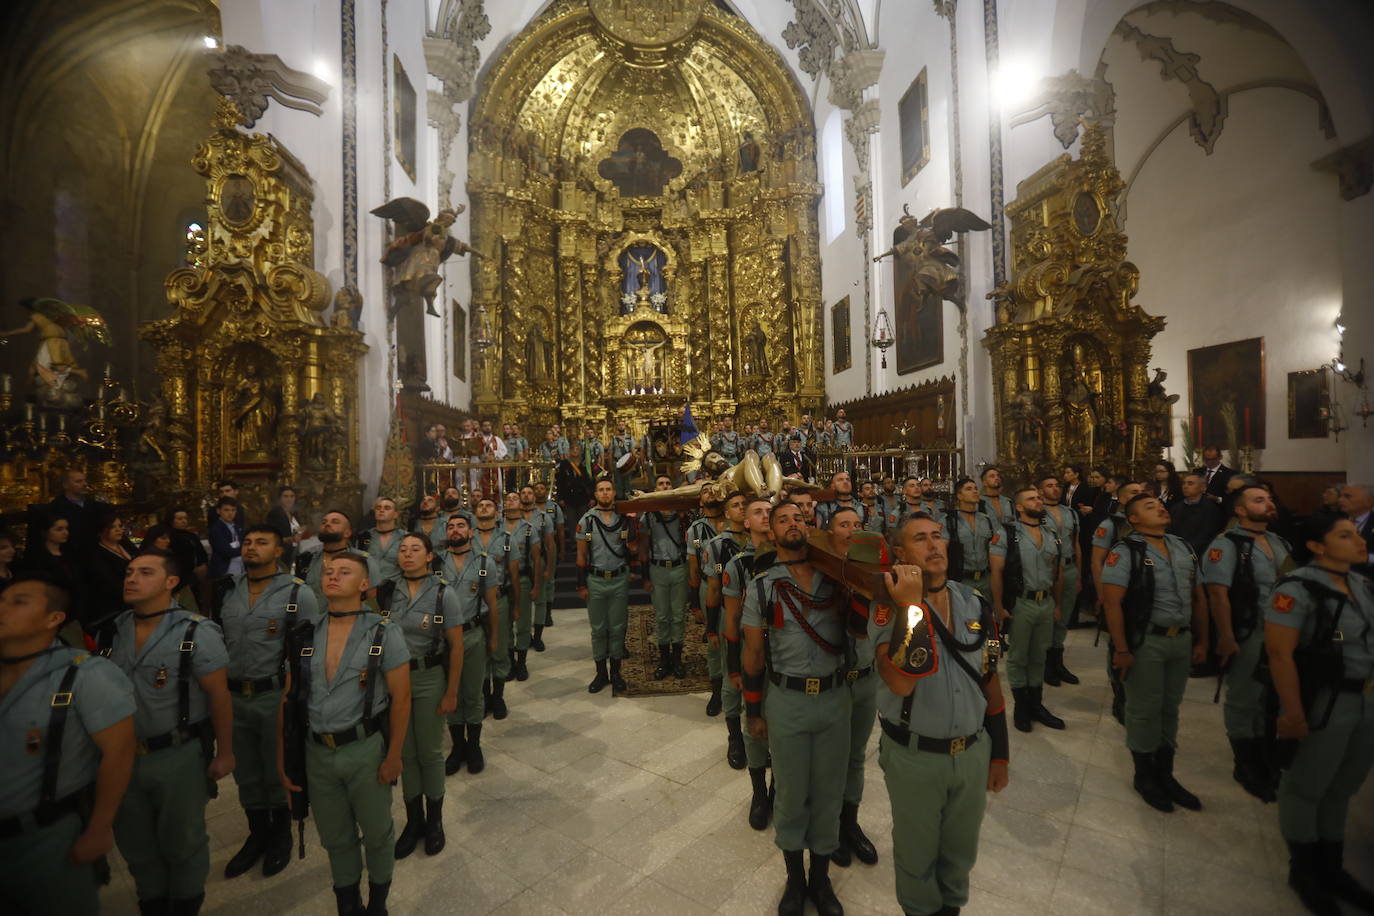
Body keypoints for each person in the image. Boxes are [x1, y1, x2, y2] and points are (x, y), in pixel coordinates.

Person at [876, 515, 1009, 916]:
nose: (934, 545)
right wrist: (911, 606)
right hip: (916, 758)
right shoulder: (885, 608)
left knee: (960, 857)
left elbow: (989, 678)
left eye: (938, 536)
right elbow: (901, 683)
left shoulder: (975, 603)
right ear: (900, 554)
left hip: (971, 753)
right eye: (920, 539)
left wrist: (999, 751)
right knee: (917, 862)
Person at [277, 551, 409, 916]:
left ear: (364, 585)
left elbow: (401, 698)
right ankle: (347, 903)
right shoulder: (304, 634)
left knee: (378, 832)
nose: (332, 576)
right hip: (317, 751)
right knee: (336, 839)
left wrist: (394, 754)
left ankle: (377, 903)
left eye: (344, 572)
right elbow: (288, 702)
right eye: (329, 571)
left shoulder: (384, 632)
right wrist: (284, 761)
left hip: (364, 748)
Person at [0, 574, 137, 916]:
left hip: (44, 837)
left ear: (54, 618)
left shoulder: (84, 675)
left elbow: (118, 752)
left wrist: (100, 827)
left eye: (18, 602)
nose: (2, 608)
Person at [108, 550, 234, 916]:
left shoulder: (194, 630)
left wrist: (224, 752)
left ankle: (184, 901)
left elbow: (219, 696)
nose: (131, 578)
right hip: (122, 756)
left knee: (182, 840)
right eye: (129, 572)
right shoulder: (114, 628)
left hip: (175, 753)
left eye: (145, 572)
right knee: (135, 840)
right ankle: (152, 900)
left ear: (170, 582)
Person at [741, 501, 850, 916]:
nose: (792, 524)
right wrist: (754, 710)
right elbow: (753, 654)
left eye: (799, 518)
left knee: (828, 793)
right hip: (785, 699)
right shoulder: (763, 586)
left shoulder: (837, 579)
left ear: (810, 526)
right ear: (771, 531)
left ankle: (820, 882)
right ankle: (795, 880)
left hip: (833, 698)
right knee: (789, 793)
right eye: (782, 519)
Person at [1264, 513, 1374, 915]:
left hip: (1365, 699)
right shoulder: (1298, 588)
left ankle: (1332, 867)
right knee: (1307, 786)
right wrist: (1292, 711)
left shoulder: (1362, 584)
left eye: (1356, 533)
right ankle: (1305, 870)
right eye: (1344, 535)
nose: (1358, 540)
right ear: (1317, 546)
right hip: (1325, 701)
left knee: (1342, 786)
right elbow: (1280, 652)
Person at [215, 524, 320, 881]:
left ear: (279, 551)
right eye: (246, 542)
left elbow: (308, 653)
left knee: (277, 769)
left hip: (274, 694)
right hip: (234, 696)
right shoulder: (226, 591)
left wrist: (298, 700)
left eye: (261, 543)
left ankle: (280, 837)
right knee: (246, 772)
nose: (251, 548)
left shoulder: (297, 594)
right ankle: (257, 833)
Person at [1099, 494, 1208, 813]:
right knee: (1144, 709)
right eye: (1149, 507)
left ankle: (1166, 773)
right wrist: (1121, 648)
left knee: (1170, 708)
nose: (1160, 508)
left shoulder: (1182, 547)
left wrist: (1202, 641)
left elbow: (1198, 596)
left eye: (1160, 505)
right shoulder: (1125, 552)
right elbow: (1112, 603)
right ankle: (1144, 774)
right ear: (1133, 519)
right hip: (1147, 641)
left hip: (1181, 639)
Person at [1201, 485, 1292, 803]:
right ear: (1240, 510)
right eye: (1258, 500)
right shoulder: (1226, 545)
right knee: (1245, 696)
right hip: (1250, 630)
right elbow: (1217, 592)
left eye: (1269, 498)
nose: (1268, 504)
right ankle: (1246, 763)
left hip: (1283, 632)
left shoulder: (1278, 542)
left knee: (1272, 697)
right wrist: (1225, 635)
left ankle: (1266, 755)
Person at [386, 533, 461, 861]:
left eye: (415, 549)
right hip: (394, 680)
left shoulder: (444, 593)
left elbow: (457, 647)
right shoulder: (388, 592)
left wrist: (451, 691)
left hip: (429, 677)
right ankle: (413, 819)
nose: (408, 555)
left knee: (430, 752)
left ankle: (434, 820)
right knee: (405, 751)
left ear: (430, 556)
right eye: (403, 550)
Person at [821, 508, 879, 871]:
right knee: (831, 759)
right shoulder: (821, 574)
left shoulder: (874, 573)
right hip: (834, 681)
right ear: (831, 534)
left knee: (856, 756)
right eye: (844, 524)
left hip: (867, 676)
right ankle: (829, 829)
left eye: (858, 524)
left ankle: (849, 823)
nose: (853, 529)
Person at [990, 487, 1066, 732]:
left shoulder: (1051, 533)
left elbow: (1057, 573)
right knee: (1019, 657)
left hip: (1046, 603)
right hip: (1022, 603)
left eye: (1039, 498)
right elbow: (997, 573)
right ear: (1020, 507)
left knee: (1039, 655)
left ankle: (1037, 705)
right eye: (1032, 498)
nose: (1038, 500)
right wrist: (999, 607)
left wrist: (1057, 604)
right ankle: (1022, 707)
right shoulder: (1007, 534)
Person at [722, 495, 775, 827]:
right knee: (755, 726)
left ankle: (778, 788)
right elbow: (731, 622)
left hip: (786, 657)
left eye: (771, 511)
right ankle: (758, 792)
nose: (765, 516)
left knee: (783, 728)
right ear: (746, 522)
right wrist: (732, 667)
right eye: (758, 512)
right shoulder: (737, 565)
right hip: (752, 651)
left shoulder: (790, 560)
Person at [439, 515, 500, 776]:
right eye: (451, 526)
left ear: (471, 531)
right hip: (442, 640)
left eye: (460, 526)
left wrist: (494, 637)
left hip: (473, 634)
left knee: (473, 693)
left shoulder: (484, 563)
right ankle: (458, 746)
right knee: (451, 693)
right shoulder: (435, 562)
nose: (455, 530)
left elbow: (492, 604)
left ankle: (474, 746)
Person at [576, 478, 637, 694]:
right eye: (601, 490)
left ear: (614, 492)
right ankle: (601, 672)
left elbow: (631, 547)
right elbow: (581, 555)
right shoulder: (587, 521)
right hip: (596, 580)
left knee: (618, 627)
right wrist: (581, 585)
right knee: (599, 629)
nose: (605, 493)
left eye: (608, 489)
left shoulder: (624, 518)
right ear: (595, 494)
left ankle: (617, 672)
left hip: (619, 579)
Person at [1091, 480, 1145, 722]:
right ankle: (1120, 694)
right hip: (1117, 592)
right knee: (1119, 643)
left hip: (1142, 593)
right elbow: (1097, 561)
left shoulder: (1148, 524)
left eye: (1142, 492)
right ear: (1122, 499)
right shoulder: (1111, 524)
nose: (1140, 495)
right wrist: (1102, 594)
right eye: (1134, 492)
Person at [706, 493, 749, 765]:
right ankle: (734, 737)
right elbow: (712, 589)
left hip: (760, 620)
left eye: (745, 504)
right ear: (726, 513)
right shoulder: (718, 545)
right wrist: (711, 628)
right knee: (731, 676)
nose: (742, 508)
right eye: (736, 505)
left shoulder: (764, 542)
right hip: (729, 614)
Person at [468, 497, 518, 719]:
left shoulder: (507, 539)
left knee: (499, 649)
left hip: (499, 599)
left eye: (488, 505)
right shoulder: (467, 540)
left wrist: (516, 606)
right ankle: (485, 696)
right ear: (475, 512)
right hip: (473, 602)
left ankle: (498, 697)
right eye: (480, 505)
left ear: (496, 512)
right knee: (480, 651)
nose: (484, 507)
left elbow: (514, 575)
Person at [640, 476, 689, 680]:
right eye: (660, 484)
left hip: (679, 568)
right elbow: (643, 546)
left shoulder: (682, 515)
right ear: (656, 489)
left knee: (678, 616)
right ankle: (664, 660)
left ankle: (677, 660)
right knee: (662, 616)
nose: (665, 486)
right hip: (658, 569)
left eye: (668, 483)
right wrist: (645, 577)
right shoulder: (649, 516)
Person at [1039, 475, 1081, 686]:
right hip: (1049, 569)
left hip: (1070, 566)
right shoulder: (1037, 513)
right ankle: (1046, 664)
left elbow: (1076, 543)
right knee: (1050, 616)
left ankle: (1058, 661)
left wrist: (1080, 574)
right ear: (1040, 490)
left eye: (1057, 486)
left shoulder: (1070, 513)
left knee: (1063, 616)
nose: (1055, 489)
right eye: (1049, 485)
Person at [688, 490, 727, 715]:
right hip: (707, 585)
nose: (711, 494)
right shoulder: (696, 529)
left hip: (733, 588)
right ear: (700, 501)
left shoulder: (734, 523)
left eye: (714, 490)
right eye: (706, 491)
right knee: (714, 637)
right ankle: (717, 689)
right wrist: (694, 602)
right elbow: (693, 566)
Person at [295, 510, 381, 608]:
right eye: (324, 522)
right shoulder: (307, 559)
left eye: (335, 522)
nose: (327, 524)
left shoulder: (364, 560)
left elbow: (371, 597)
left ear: (347, 533)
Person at [500, 492, 541, 682]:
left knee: (523, 622)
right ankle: (509, 662)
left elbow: (536, 559)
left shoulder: (528, 529)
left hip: (523, 579)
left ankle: (521, 662)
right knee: (505, 623)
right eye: (507, 499)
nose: (510, 501)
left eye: (514, 498)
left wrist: (537, 585)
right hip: (501, 581)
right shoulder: (496, 527)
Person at [32, 468, 111, 560]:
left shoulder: (94, 505)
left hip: (97, 554)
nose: (85, 484)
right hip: (70, 556)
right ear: (66, 485)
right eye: (79, 481)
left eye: (84, 480)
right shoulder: (56, 508)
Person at [525, 482, 562, 651]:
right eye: (523, 493)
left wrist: (549, 568)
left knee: (540, 599)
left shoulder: (543, 516)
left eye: (529, 493)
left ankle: (538, 636)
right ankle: (525, 636)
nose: (526, 496)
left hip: (538, 560)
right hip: (519, 562)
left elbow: (550, 544)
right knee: (523, 602)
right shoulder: (510, 518)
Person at [947, 477, 996, 598]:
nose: (975, 491)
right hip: (962, 580)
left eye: (976, 488)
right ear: (959, 495)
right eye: (969, 489)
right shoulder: (950, 521)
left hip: (985, 580)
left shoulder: (986, 520)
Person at [1169, 471, 1224, 559]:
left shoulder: (1210, 508)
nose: (1185, 486)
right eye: (1184, 483)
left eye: (1190, 484)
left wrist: (1187, 550)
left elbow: (1207, 534)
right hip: (1176, 551)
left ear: (1203, 488)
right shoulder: (1176, 508)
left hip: (1200, 553)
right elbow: (1170, 531)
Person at [358, 497, 404, 584]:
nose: (381, 510)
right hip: (369, 588)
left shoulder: (405, 538)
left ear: (396, 514)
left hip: (397, 589)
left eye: (387, 508)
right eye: (378, 508)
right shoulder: (364, 537)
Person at [266, 486, 308, 568]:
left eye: (292, 496)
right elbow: (272, 536)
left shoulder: (294, 513)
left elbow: (295, 530)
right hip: (282, 554)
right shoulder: (275, 513)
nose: (289, 499)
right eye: (286, 496)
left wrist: (302, 529)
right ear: (280, 498)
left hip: (295, 552)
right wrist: (291, 539)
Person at [1338, 483, 1374, 574]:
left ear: (1369, 501)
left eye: (1347, 496)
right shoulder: (1336, 522)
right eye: (1340, 496)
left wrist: (1366, 557)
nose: (1340, 500)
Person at [208, 497, 245, 579]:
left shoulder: (237, 527)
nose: (230, 513)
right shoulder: (216, 529)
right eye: (226, 510)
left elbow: (244, 543)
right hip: (224, 570)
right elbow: (226, 551)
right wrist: (244, 550)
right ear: (218, 511)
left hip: (240, 568)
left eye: (233, 510)